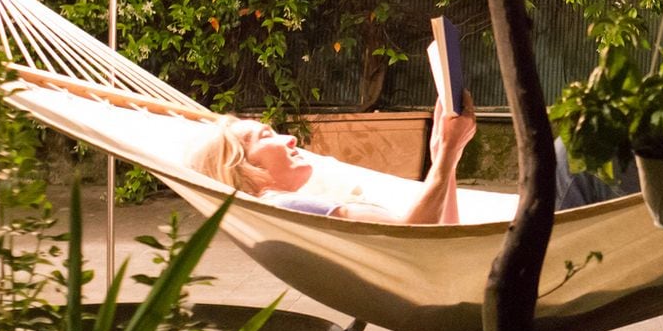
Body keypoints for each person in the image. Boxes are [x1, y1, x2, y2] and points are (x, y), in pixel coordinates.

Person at [188, 92, 477, 224]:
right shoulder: (286, 205)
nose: (290, 139)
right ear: (244, 169)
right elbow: (415, 242)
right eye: (266, 136)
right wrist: (447, 153)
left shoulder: (289, 211)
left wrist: (445, 155)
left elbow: (442, 236)